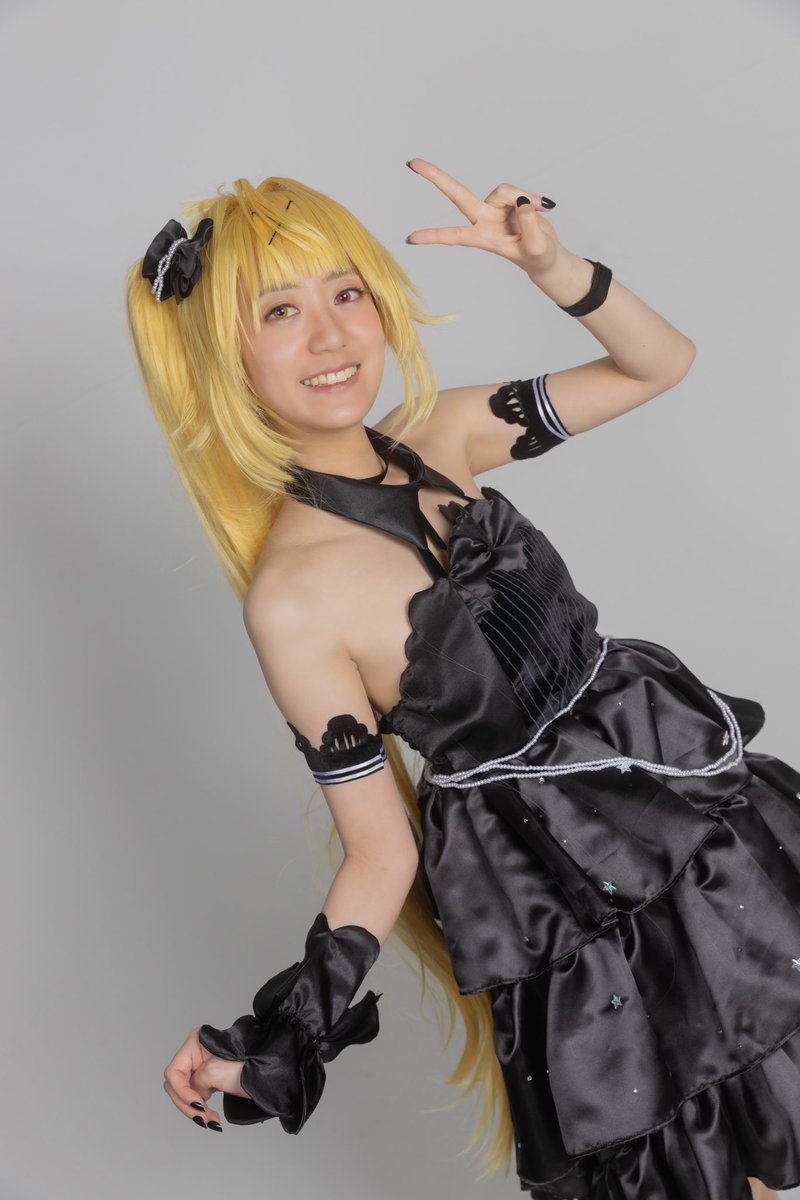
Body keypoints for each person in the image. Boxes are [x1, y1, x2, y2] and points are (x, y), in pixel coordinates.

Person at [125, 159, 799, 1200]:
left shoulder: (441, 432)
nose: (331, 336)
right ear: (226, 353)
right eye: (280, 312)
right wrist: (281, 1035)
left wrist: (550, 265)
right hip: (569, 903)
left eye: (348, 293)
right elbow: (379, 849)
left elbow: (657, 362)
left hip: (689, 816)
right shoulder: (292, 601)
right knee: (701, 1167)